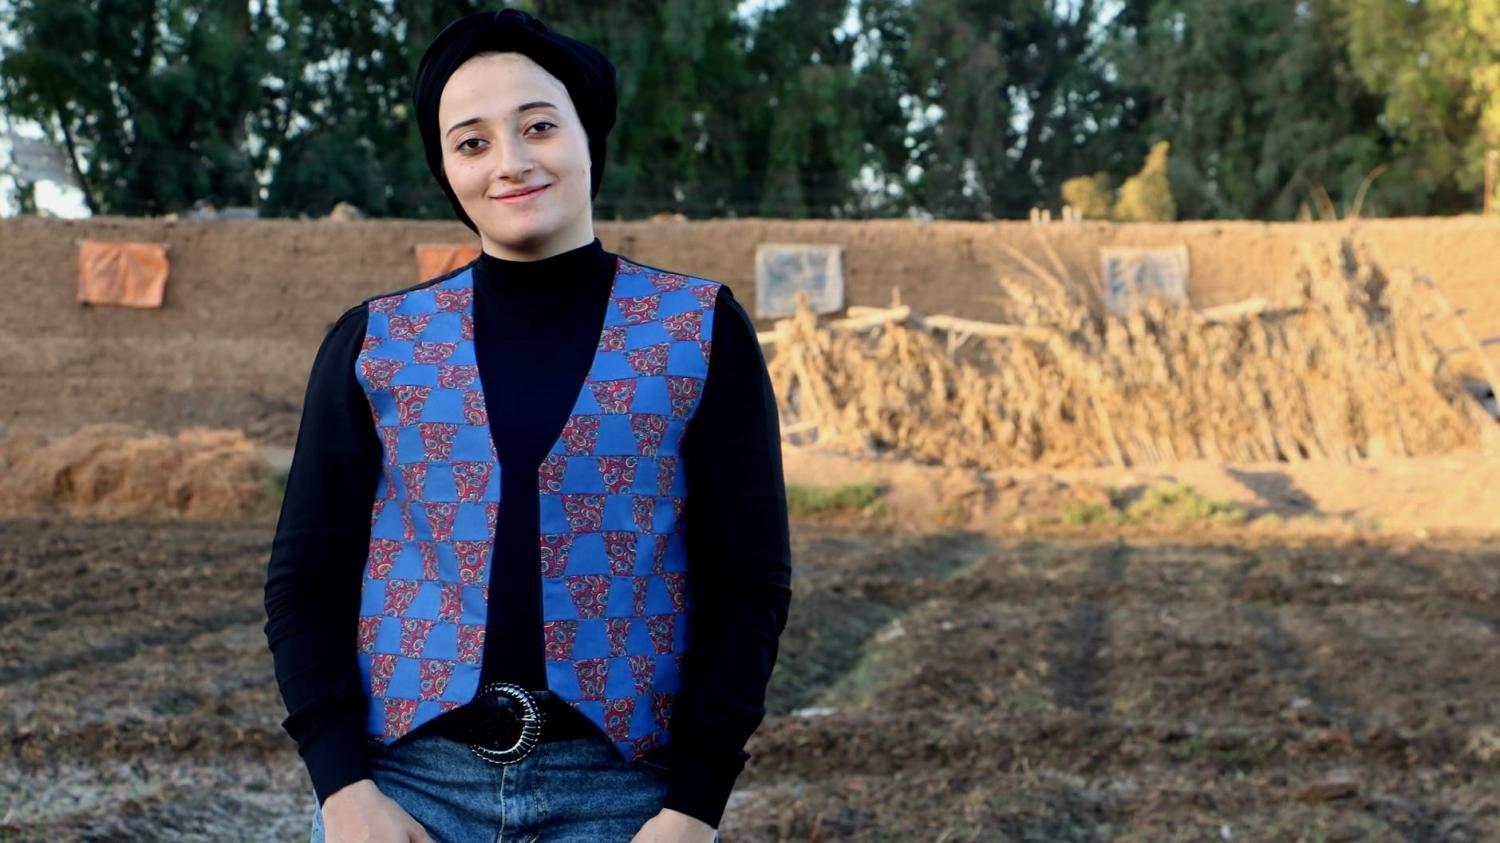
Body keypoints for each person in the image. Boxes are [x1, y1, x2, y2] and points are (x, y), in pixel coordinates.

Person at [262, 8, 792, 842]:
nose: (509, 162)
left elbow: (747, 583)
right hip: (407, 789)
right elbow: (305, 580)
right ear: (446, 168)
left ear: (588, 137)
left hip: (625, 795)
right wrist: (344, 789)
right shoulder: (375, 343)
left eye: (539, 126)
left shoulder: (697, 329)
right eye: (471, 142)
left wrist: (693, 808)